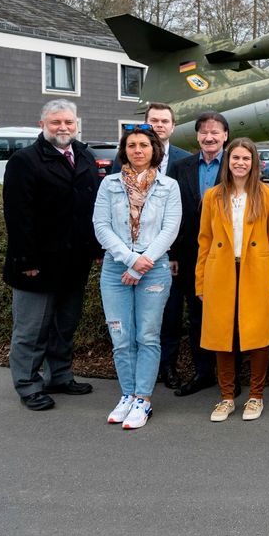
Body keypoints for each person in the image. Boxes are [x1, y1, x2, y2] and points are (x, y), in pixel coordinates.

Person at [3, 99, 101, 411]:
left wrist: (96, 249)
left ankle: (59, 375)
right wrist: (26, 260)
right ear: (42, 125)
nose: (63, 127)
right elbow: (18, 216)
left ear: (76, 124)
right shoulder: (24, 161)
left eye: (68, 122)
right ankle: (29, 385)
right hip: (37, 265)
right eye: (56, 122)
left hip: (74, 263)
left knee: (64, 326)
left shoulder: (84, 155)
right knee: (31, 331)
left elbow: (92, 209)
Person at [93, 125, 182, 429]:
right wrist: (131, 260)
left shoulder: (169, 186)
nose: (138, 150)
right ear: (124, 151)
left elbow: (170, 229)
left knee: (147, 336)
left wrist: (142, 263)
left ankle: (143, 399)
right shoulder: (110, 184)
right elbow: (101, 226)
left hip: (154, 267)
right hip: (116, 267)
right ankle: (127, 394)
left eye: (143, 145)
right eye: (131, 145)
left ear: (154, 149)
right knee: (120, 337)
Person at [196, 138, 269, 422]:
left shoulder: (267, 195)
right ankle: (226, 397)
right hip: (221, 271)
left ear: (254, 162)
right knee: (222, 335)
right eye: (235, 157)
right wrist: (200, 281)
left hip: (256, 272)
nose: (240, 163)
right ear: (227, 161)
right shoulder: (213, 196)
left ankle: (256, 396)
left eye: (246, 158)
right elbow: (204, 241)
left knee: (257, 335)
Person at [111, 102, 192, 390]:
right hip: (127, 256)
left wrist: (173, 254)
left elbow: (182, 215)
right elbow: (111, 212)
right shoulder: (122, 160)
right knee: (132, 317)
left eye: (164, 121)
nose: (159, 125)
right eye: (153, 120)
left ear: (173, 127)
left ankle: (167, 366)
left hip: (167, 255)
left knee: (168, 314)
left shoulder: (184, 160)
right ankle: (135, 373)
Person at [168, 111, 229, 397]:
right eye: (204, 132)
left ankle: (229, 374)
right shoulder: (181, 167)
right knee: (196, 315)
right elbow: (171, 213)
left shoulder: (236, 163)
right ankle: (203, 372)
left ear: (225, 136)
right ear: (197, 136)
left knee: (229, 314)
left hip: (229, 254)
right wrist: (172, 254)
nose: (209, 137)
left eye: (215, 132)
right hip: (190, 254)